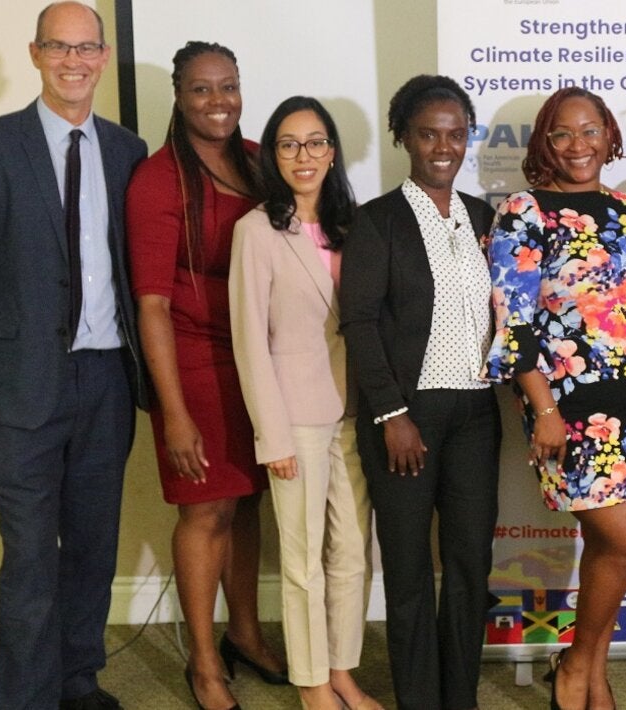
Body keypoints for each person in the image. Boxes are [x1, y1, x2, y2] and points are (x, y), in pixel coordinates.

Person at [0, 3, 147, 707]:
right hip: (19, 388)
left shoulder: (127, 151)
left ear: (104, 56)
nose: (73, 61)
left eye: (86, 48)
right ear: (35, 54)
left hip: (107, 382)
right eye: (59, 47)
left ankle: (77, 682)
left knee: (92, 548)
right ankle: (26, 699)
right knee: (29, 555)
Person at [483, 86, 626, 710]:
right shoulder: (524, 211)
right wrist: (544, 410)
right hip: (572, 407)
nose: (577, 144)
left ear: (609, 134)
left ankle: (588, 672)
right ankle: (576, 665)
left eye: (590, 130)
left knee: (611, 546)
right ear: (544, 143)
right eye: (561, 133)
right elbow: (514, 321)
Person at [127, 40, 288, 710]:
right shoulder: (157, 180)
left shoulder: (257, 161)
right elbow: (152, 305)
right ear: (179, 96)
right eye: (201, 88)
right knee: (206, 508)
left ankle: (244, 634)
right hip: (192, 361)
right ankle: (202, 661)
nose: (218, 101)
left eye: (229, 86)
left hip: (256, 360)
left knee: (247, 500)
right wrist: (175, 413)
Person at [339, 75, 501, 710]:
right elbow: (359, 321)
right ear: (404, 137)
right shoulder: (377, 221)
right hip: (407, 416)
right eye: (429, 134)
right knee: (408, 570)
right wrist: (392, 413)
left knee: (469, 564)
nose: (443, 147)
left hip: (476, 415)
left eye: (456, 134)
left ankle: (459, 697)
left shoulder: (484, 218)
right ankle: (418, 700)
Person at [230, 96, 380, 710]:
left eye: (316, 142)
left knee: (352, 553)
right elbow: (249, 341)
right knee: (302, 559)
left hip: (355, 409)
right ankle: (312, 683)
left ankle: (342, 670)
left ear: (332, 151)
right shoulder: (256, 230)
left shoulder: (355, 225)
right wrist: (273, 436)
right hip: (294, 416)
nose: (304, 155)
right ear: (273, 155)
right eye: (288, 144)